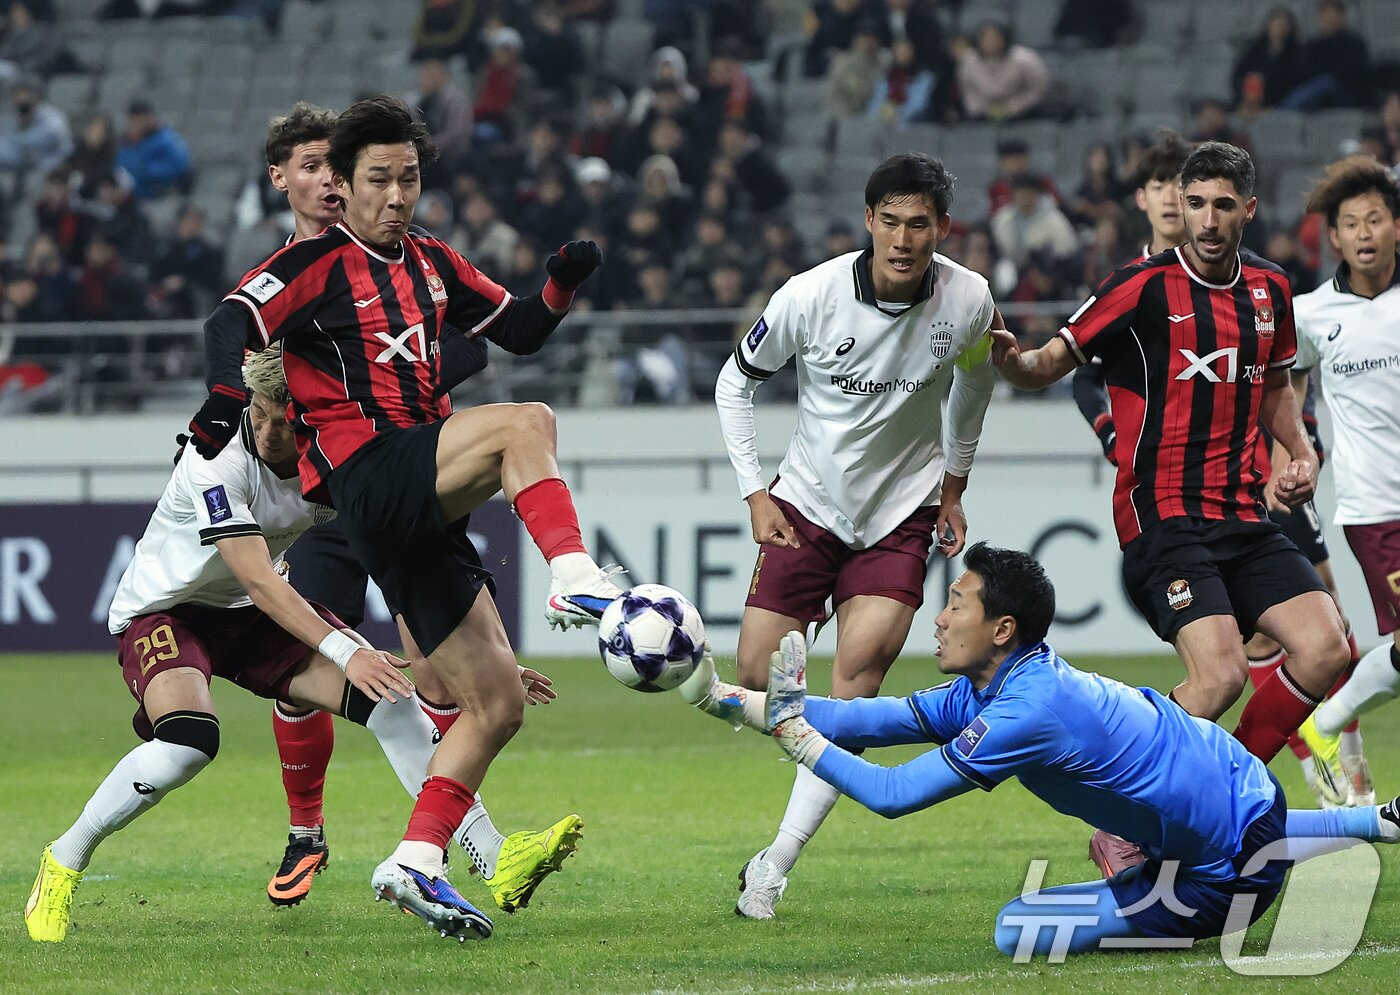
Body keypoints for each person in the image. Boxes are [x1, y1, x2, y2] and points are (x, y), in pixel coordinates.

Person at [182, 95, 619, 940]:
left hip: (415, 508)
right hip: (367, 474)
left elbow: (521, 329)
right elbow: (229, 319)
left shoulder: (432, 260)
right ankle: (577, 577)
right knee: (526, 424)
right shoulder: (313, 264)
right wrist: (225, 396)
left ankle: (415, 861)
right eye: (378, 179)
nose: (395, 195)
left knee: (494, 702)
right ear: (343, 186)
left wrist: (563, 280)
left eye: (408, 179)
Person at [680, 542, 1400, 955]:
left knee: (1016, 930)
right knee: (1217, 831)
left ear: (1001, 628)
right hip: (1247, 790)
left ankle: (1226, 887)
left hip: (1226, 877)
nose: (940, 617)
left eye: (956, 603)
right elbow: (873, 720)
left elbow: (895, 795)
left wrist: (796, 734)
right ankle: (1377, 821)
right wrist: (724, 699)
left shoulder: (1027, 710)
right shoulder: (1000, 682)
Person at [24, 349, 510, 943]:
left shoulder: (333, 464)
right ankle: (64, 861)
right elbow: (256, 577)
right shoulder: (215, 459)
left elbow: (399, 551)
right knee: (189, 742)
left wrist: (479, 656)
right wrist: (347, 650)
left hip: (252, 614)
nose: (271, 429)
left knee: (392, 700)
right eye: (261, 411)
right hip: (167, 613)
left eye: (289, 418)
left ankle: (485, 854)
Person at [989, 143, 1350, 779]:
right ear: (1178, 205)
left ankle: (1225, 782)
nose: (1208, 221)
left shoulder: (1271, 289)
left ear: (1249, 211)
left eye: (1223, 206)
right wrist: (1010, 362)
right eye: (1196, 205)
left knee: (1327, 647)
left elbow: (1271, 386)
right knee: (1219, 678)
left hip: (1242, 513)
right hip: (1162, 513)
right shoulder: (1140, 287)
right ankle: (1122, 818)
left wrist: (1300, 450)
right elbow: (1050, 365)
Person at [712, 152, 1000, 919]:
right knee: (754, 675)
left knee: (859, 678)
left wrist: (954, 485)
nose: (905, 238)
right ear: (868, 221)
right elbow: (734, 382)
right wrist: (753, 492)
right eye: (892, 221)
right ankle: (793, 771)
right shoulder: (810, 296)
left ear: (942, 228)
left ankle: (774, 863)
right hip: (805, 503)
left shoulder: (969, 300)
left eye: (921, 224)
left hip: (900, 514)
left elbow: (975, 384)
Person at [1291, 157, 1400, 781]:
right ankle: (1327, 726)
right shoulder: (1310, 314)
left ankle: (1327, 724)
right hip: (1377, 509)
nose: (1363, 233)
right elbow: (1284, 385)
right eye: (1350, 223)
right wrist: (1298, 451)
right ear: (1334, 237)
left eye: (1375, 220)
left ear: (1394, 227)